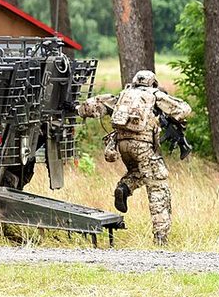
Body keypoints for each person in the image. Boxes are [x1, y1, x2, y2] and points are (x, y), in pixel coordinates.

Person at [77, 70, 191, 245]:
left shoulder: (123, 95)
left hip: (122, 145)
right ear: (152, 83)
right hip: (143, 146)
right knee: (158, 188)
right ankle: (161, 238)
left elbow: (90, 107)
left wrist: (75, 108)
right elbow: (183, 110)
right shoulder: (154, 95)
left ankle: (124, 187)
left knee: (138, 171)